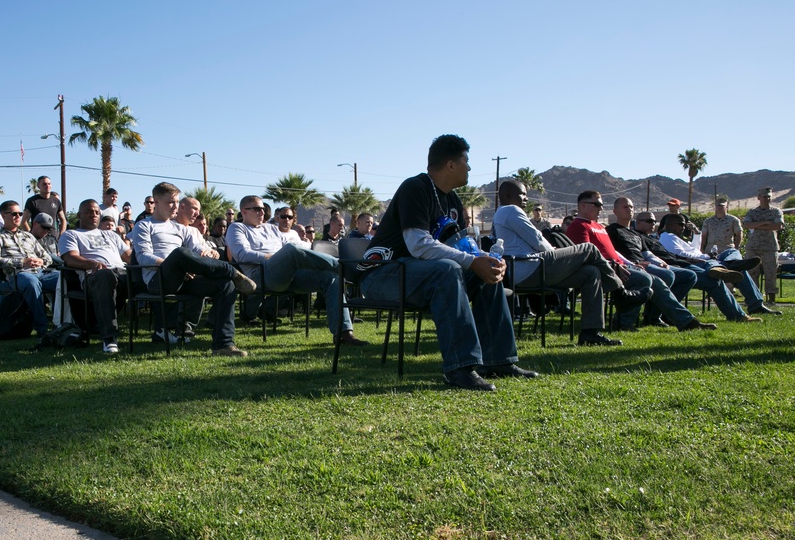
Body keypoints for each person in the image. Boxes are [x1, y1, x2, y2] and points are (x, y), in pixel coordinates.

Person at [358, 135, 536, 391]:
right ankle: (460, 369)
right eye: (467, 161)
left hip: (418, 273)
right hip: (383, 274)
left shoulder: (452, 199)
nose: (470, 168)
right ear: (451, 165)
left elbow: (465, 247)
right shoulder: (415, 187)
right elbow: (417, 244)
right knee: (448, 269)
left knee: (487, 273)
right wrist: (473, 261)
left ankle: (497, 360)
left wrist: (486, 260)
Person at [493, 180, 644, 346]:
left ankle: (590, 333)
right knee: (589, 249)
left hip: (528, 269)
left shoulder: (502, 213)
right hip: (531, 268)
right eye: (523, 194)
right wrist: (556, 253)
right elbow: (537, 240)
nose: (526, 199)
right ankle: (620, 293)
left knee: (591, 273)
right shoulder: (511, 210)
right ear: (508, 195)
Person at [227, 194, 367, 347]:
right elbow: (242, 255)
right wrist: (275, 257)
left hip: (288, 275)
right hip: (259, 275)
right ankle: (344, 266)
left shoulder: (272, 229)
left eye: (262, 208)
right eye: (256, 209)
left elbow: (289, 251)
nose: (262, 212)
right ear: (244, 211)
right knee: (291, 250)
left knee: (331, 278)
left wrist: (286, 256)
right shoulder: (237, 228)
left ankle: (344, 333)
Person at [132, 182, 255, 356]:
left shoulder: (181, 229)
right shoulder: (144, 225)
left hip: (184, 279)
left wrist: (209, 253)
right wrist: (175, 264)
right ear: (157, 202)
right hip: (157, 280)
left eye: (176, 202)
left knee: (226, 285)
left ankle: (223, 345)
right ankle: (231, 271)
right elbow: (144, 257)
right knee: (181, 253)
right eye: (170, 202)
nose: (175, 206)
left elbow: (197, 249)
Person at [567, 191, 714, 332]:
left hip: (621, 266)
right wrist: (614, 266)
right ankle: (623, 322)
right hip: (604, 271)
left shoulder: (599, 226)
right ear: (583, 205)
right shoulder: (578, 226)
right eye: (597, 205)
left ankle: (686, 321)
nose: (600, 208)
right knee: (644, 279)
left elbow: (614, 252)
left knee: (658, 281)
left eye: (601, 205)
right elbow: (587, 254)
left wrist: (630, 264)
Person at [634, 211, 762, 323]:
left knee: (731, 259)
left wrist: (697, 242)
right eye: (650, 221)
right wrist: (696, 259)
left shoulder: (653, 239)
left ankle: (732, 265)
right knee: (713, 279)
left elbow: (679, 254)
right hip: (679, 267)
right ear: (638, 223)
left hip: (686, 264)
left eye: (654, 221)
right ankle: (738, 314)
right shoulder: (648, 237)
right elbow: (669, 257)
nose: (653, 223)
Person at [659, 213, 781, 316]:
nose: (684, 227)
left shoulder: (677, 237)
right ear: (670, 225)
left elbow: (694, 249)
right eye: (681, 224)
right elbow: (680, 254)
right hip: (699, 263)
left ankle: (730, 264)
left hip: (706, 259)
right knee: (739, 271)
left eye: (685, 224)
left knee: (732, 251)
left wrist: (696, 233)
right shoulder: (666, 237)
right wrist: (706, 257)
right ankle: (755, 305)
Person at [606, 196, 702, 327]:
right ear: (615, 211)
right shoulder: (612, 230)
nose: (629, 210)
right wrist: (632, 264)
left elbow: (647, 253)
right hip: (628, 266)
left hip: (644, 264)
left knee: (688, 275)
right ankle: (654, 318)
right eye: (625, 207)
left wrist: (660, 262)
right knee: (665, 275)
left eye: (631, 207)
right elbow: (612, 252)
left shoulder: (635, 233)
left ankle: (655, 316)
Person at [59, 199, 133, 354]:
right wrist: (91, 263)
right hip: (93, 277)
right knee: (105, 276)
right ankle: (109, 339)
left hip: (121, 273)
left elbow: (129, 257)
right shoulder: (71, 235)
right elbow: (70, 258)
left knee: (153, 275)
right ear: (79, 215)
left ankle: (164, 331)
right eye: (89, 211)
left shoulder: (111, 235)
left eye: (97, 212)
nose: (94, 214)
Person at [0, 199, 61, 341]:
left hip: (40, 272)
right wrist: (21, 262)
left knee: (64, 278)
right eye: (14, 213)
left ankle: (66, 324)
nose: (18, 216)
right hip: (18, 274)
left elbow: (47, 257)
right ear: (3, 215)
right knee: (31, 283)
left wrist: (41, 261)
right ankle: (42, 328)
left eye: (20, 213)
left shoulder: (28, 236)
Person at [744, 187, 784, 304]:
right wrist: (765, 222)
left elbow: (777, 226)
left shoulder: (776, 211)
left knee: (770, 272)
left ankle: (771, 298)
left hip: (770, 247)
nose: (766, 199)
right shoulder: (752, 212)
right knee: (752, 272)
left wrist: (756, 226)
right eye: (764, 196)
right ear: (759, 198)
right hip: (753, 247)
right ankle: (754, 297)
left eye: (768, 197)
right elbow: (746, 225)